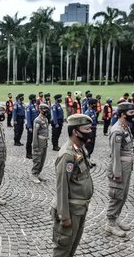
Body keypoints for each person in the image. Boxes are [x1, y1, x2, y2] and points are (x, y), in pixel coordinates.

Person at [51, 114, 94, 257]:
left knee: (72, 247)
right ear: (76, 131)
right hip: (71, 210)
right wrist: (64, 216)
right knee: (63, 249)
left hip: (80, 209)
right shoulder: (68, 154)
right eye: (86, 129)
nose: (90, 131)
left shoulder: (80, 149)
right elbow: (61, 187)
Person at [105, 102, 134, 237]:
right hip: (119, 168)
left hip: (126, 166)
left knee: (122, 196)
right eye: (131, 113)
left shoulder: (126, 127)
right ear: (123, 114)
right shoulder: (117, 130)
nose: (133, 115)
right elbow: (115, 154)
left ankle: (115, 218)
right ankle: (110, 224)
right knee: (116, 195)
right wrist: (117, 173)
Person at [32, 103, 50, 184]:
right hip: (39, 142)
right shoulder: (37, 120)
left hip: (44, 142)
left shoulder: (45, 119)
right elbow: (35, 133)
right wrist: (35, 145)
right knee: (37, 158)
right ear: (40, 110)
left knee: (42, 159)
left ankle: (38, 173)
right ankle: (34, 174)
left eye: (46, 110)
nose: (46, 111)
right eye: (44, 110)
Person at [84, 99, 98, 166]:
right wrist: (88, 135)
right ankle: (86, 162)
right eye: (95, 104)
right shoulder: (87, 113)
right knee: (88, 147)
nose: (96, 105)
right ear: (90, 104)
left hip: (93, 130)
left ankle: (88, 160)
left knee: (91, 147)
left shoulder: (93, 111)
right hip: (89, 131)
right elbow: (86, 125)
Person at [25, 94, 39, 159]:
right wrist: (29, 127)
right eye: (34, 98)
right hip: (31, 126)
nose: (35, 99)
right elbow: (28, 118)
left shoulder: (35, 105)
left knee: (35, 139)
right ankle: (28, 153)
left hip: (35, 125)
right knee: (29, 140)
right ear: (32, 99)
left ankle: (34, 152)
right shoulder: (29, 107)